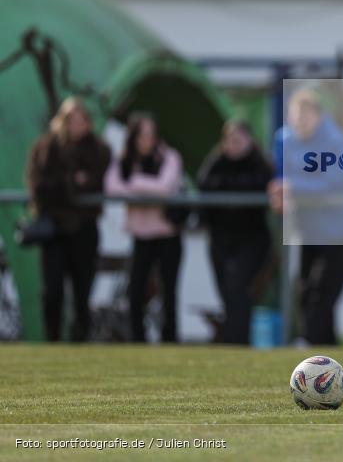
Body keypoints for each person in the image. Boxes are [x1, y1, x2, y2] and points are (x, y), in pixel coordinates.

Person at [271, 88, 343, 345]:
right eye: (295, 116)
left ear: (319, 116)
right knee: (306, 292)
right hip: (309, 232)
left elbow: (337, 182)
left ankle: (310, 347)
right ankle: (326, 355)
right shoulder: (284, 139)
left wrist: (292, 187)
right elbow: (280, 174)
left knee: (322, 294)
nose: (299, 121)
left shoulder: (336, 140)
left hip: (338, 234)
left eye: (305, 115)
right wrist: (280, 191)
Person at [25, 97, 110, 341]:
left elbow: (98, 182)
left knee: (82, 290)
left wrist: (66, 189)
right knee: (52, 291)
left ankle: (80, 337)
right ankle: (52, 338)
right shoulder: (45, 149)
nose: (76, 126)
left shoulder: (98, 151)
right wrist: (73, 184)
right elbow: (39, 188)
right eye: (71, 121)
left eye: (81, 121)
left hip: (84, 229)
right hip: (54, 228)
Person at [105, 113, 183, 343]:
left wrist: (135, 183)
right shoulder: (125, 160)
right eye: (142, 135)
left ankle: (170, 339)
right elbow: (112, 188)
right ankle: (137, 340)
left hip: (168, 235)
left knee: (169, 291)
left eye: (151, 134)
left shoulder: (169, 157)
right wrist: (144, 190)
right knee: (136, 290)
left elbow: (164, 187)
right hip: (141, 236)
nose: (147, 140)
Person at [197, 120, 273, 345]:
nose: (234, 145)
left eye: (239, 140)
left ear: (250, 141)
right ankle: (232, 338)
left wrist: (227, 185)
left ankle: (236, 341)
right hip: (220, 238)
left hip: (252, 238)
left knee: (237, 286)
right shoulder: (217, 162)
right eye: (230, 140)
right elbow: (204, 183)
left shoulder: (260, 164)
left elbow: (260, 183)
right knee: (226, 290)